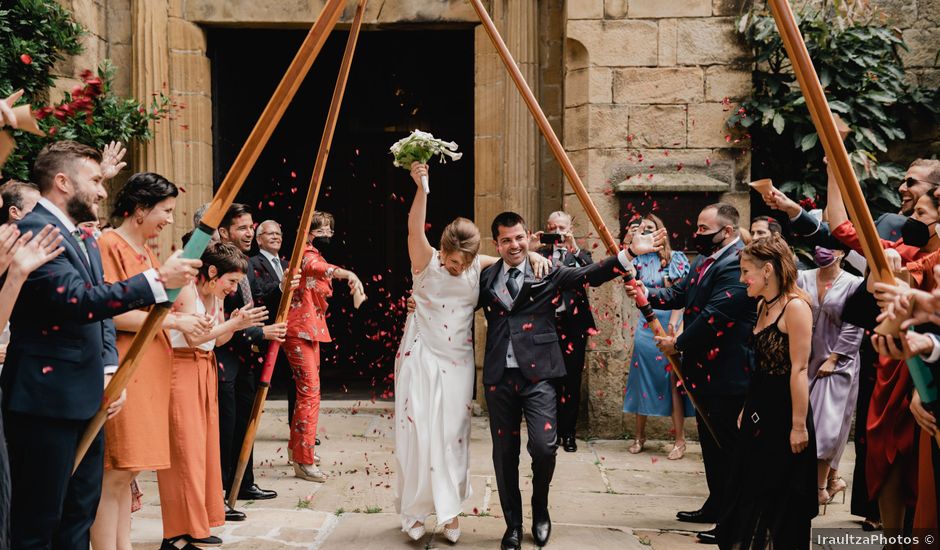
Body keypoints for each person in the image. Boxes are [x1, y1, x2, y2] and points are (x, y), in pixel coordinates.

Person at [0, 140, 199, 548]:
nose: (104, 190)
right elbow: (76, 301)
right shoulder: (34, 232)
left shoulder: (83, 236)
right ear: (62, 182)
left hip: (87, 395)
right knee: (40, 519)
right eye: (94, 180)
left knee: (79, 513)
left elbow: (100, 313)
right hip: (45, 400)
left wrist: (109, 368)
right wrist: (158, 281)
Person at [480, 210, 659, 550]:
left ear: (527, 235)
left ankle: (541, 507)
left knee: (545, 448)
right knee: (504, 454)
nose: (514, 244)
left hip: (540, 376)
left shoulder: (548, 271)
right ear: (497, 243)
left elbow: (591, 273)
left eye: (519, 237)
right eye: (506, 240)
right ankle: (513, 527)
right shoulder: (487, 278)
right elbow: (457, 294)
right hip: (499, 379)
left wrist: (630, 253)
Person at [394, 163, 551, 543]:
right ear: (443, 249)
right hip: (421, 355)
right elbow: (414, 226)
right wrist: (422, 189)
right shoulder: (425, 260)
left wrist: (535, 257)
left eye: (463, 263)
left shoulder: (480, 266)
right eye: (451, 260)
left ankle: (449, 514)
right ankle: (414, 511)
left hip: (459, 362)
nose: (454, 267)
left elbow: (513, 257)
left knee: (452, 436)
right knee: (418, 435)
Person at [91, 172, 212, 550]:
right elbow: (108, 312)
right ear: (140, 209)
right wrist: (175, 319)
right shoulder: (110, 244)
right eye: (165, 210)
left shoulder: (146, 250)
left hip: (152, 368)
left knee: (127, 474)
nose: (170, 220)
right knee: (113, 473)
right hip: (128, 368)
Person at [627, 203, 755, 544]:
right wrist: (646, 294)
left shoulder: (737, 263)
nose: (697, 234)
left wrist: (677, 344)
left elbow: (717, 314)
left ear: (726, 232)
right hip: (706, 373)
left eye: (703, 229)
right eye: (697, 227)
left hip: (728, 371)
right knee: (712, 447)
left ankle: (733, 520)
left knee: (728, 449)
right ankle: (716, 504)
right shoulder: (707, 261)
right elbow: (680, 293)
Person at [157, 242, 268, 550]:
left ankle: (197, 523)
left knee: (205, 448)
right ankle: (177, 532)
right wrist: (234, 323)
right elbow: (194, 337)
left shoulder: (216, 295)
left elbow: (217, 341)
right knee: (185, 450)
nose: (233, 288)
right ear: (213, 271)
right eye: (231, 281)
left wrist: (235, 321)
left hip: (205, 367)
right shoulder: (187, 291)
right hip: (180, 368)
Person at [717, 235, 817, 549]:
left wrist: (798, 425)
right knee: (748, 484)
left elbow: (800, 370)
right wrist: (749, 406)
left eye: (746, 271)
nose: (742, 278)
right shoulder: (762, 305)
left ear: (768, 271)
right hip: (760, 405)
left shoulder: (796, 308)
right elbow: (761, 367)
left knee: (780, 492)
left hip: (787, 410)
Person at [214, 203, 284, 518]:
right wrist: (261, 332)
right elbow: (230, 317)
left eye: (250, 226)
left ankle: (245, 483)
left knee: (246, 421)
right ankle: (222, 491)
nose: (249, 233)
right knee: (225, 428)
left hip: (246, 361)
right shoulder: (214, 264)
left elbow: (254, 300)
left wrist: (282, 289)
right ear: (225, 231)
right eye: (242, 228)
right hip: (224, 358)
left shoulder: (244, 265)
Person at [285, 211, 360, 483]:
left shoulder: (313, 252)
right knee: (310, 394)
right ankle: (304, 460)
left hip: (310, 329)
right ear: (310, 231)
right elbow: (318, 269)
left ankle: (298, 451)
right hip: (299, 328)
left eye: (331, 228)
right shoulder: (305, 253)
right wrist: (348, 274)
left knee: (308, 392)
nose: (328, 233)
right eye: (323, 229)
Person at [796, 246, 864, 512]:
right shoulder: (802, 277)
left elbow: (855, 324)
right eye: (820, 246)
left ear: (843, 253)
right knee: (806, 421)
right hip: (805, 360)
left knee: (827, 426)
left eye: (831, 247)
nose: (824, 251)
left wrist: (835, 359)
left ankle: (819, 489)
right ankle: (829, 480)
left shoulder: (854, 283)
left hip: (839, 362)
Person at [621, 214, 693, 459]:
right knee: (642, 378)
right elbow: (623, 273)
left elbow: (680, 296)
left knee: (673, 381)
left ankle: (679, 440)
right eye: (643, 229)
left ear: (661, 232)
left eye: (651, 228)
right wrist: (631, 240)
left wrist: (673, 324)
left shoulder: (677, 259)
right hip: (645, 325)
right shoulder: (638, 260)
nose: (647, 232)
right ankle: (639, 436)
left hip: (670, 323)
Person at [532, 210, 597, 452]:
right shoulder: (537, 254)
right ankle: (549, 433)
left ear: (570, 228)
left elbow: (593, 272)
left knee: (571, 381)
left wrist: (574, 248)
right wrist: (531, 247)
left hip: (573, 326)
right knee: (547, 382)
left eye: (562, 228)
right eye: (553, 228)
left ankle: (568, 433)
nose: (557, 233)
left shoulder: (579, 255)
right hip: (545, 325)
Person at [248, 220, 298, 426]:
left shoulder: (289, 265)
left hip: (291, 330)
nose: (276, 237)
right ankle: (249, 426)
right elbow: (257, 294)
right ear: (259, 239)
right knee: (259, 382)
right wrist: (280, 286)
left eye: (278, 233)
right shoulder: (251, 263)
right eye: (270, 233)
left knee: (295, 380)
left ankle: (296, 429)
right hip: (267, 330)